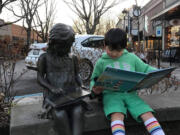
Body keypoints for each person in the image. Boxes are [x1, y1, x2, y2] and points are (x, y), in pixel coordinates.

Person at [90, 28, 165, 135]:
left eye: (119, 51)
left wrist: (161, 73)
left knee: (146, 112)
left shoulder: (131, 58)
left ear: (125, 47)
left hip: (131, 94)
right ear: (104, 45)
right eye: (111, 50)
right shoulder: (101, 62)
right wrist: (96, 88)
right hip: (111, 96)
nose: (115, 54)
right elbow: (94, 79)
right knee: (116, 114)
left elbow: (145, 69)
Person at [37, 23, 84, 135]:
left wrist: (81, 85)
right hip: (53, 98)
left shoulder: (72, 58)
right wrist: (51, 88)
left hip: (71, 95)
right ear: (55, 43)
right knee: (60, 114)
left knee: (78, 111)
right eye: (65, 46)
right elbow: (39, 78)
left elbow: (77, 75)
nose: (68, 48)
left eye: (69, 45)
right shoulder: (44, 58)